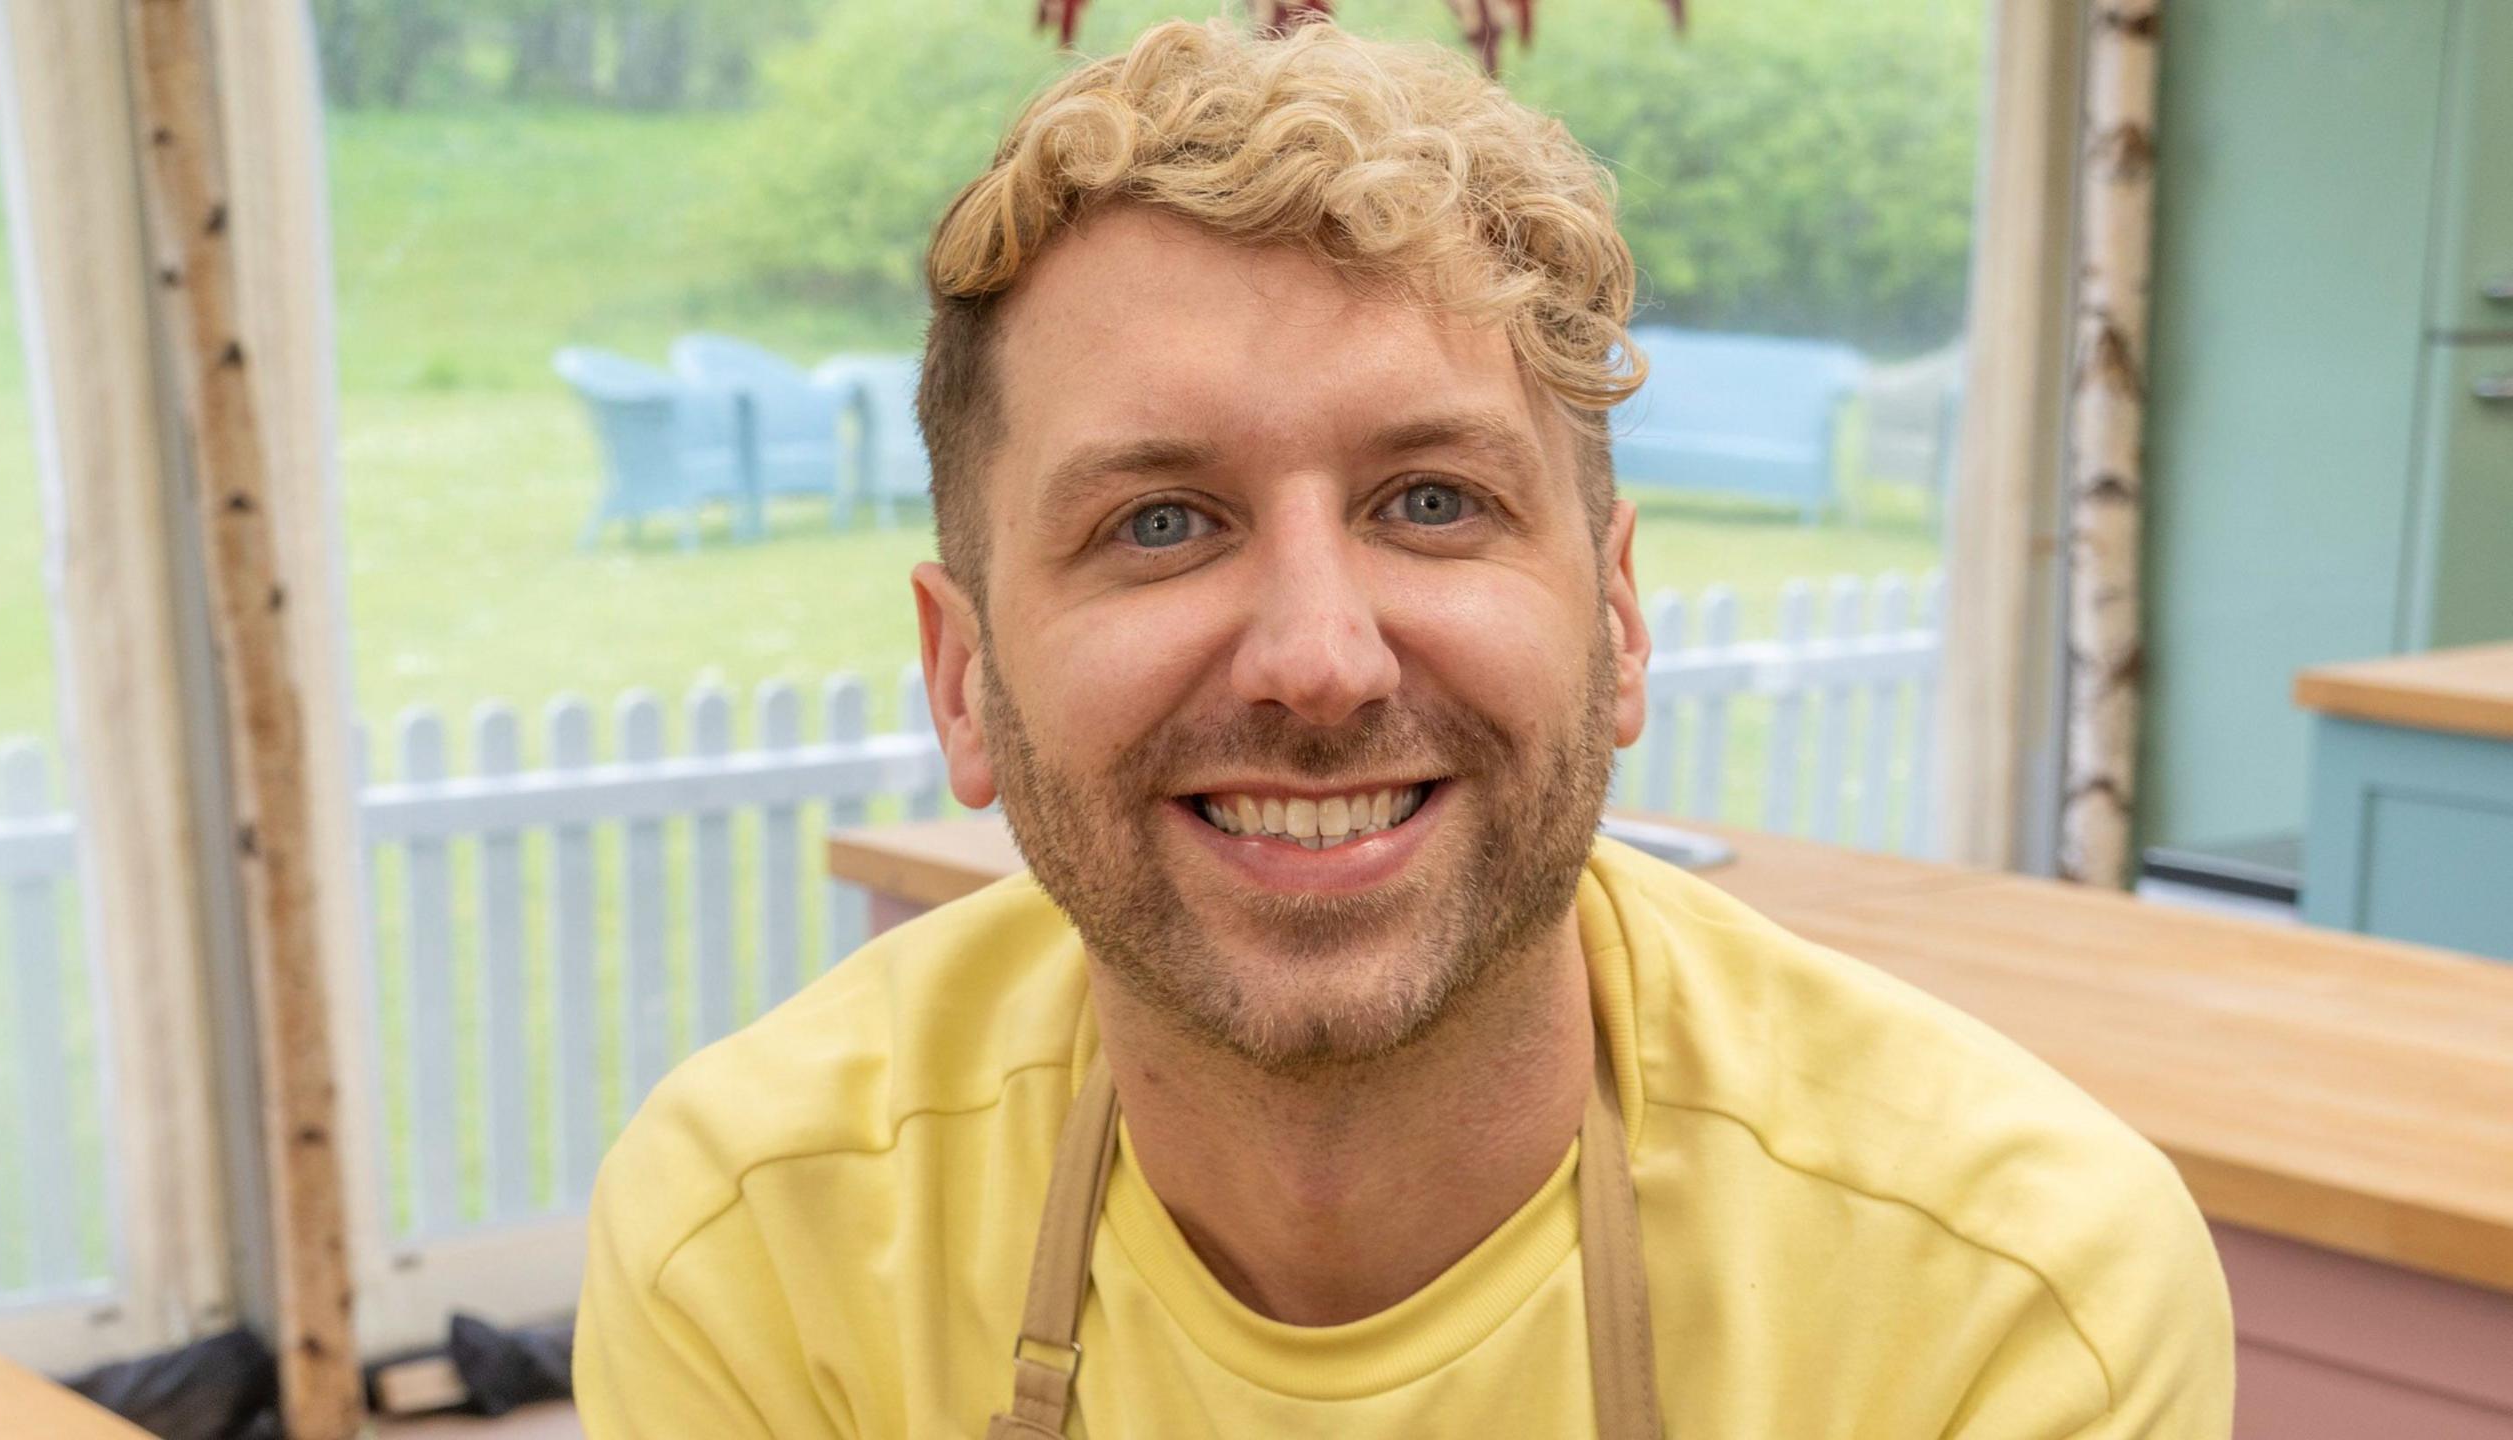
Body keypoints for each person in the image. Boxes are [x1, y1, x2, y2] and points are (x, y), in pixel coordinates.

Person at [575, 17, 2235, 1437]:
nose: (1320, 660)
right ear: (964, 679)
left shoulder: (1999, 1296)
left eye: (1433, 500)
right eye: (1160, 522)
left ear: (1618, 617)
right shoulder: (758, 1243)